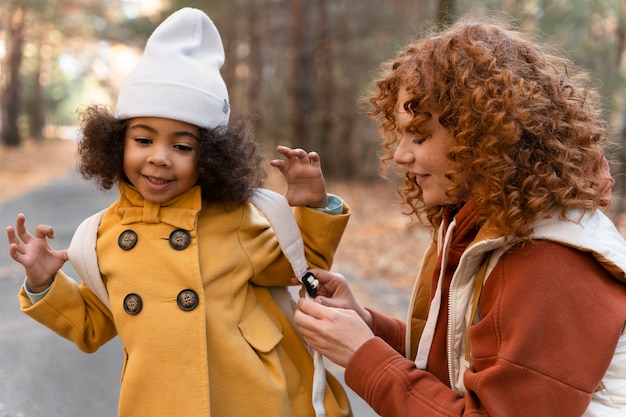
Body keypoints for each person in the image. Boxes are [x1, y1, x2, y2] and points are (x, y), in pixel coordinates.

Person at [5, 8, 352, 417]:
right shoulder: (101, 235)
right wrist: (46, 282)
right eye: (143, 139)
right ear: (118, 144)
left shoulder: (235, 217)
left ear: (210, 156)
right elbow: (93, 325)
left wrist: (312, 205)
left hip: (254, 397)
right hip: (157, 403)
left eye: (182, 146)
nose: (160, 158)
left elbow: (303, 268)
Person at [292, 18, 626, 416]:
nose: (400, 155)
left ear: (483, 137)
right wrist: (364, 324)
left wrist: (363, 355)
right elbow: (455, 368)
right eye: (399, 136)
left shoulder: (551, 261)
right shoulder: (480, 225)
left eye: (418, 136)